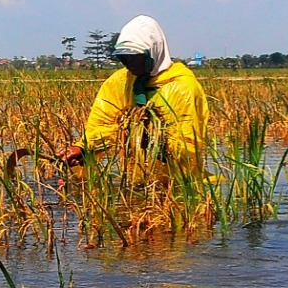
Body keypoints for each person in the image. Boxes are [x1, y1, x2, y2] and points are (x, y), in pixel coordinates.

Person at [57, 15, 208, 174]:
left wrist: (151, 138)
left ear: (153, 52)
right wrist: (83, 148)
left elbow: (188, 148)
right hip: (135, 179)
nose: (131, 64)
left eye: (136, 57)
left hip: (178, 182)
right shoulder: (119, 82)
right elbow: (102, 126)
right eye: (125, 58)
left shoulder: (182, 88)